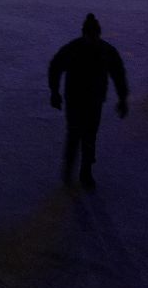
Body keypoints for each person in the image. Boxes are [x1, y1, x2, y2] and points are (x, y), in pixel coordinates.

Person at [48, 14, 130, 189]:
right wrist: (54, 92)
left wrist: (123, 98)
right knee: (74, 135)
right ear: (84, 33)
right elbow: (55, 67)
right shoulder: (74, 49)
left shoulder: (105, 51)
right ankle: (69, 171)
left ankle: (85, 172)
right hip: (75, 101)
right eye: (89, 35)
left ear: (98, 34)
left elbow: (119, 75)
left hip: (94, 102)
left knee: (89, 137)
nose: (92, 39)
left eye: (94, 35)